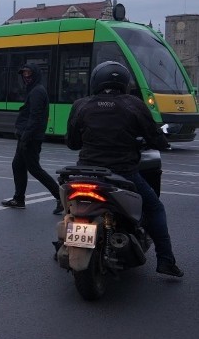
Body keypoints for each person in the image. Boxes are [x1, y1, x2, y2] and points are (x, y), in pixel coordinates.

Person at [66, 61, 183, 277]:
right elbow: (155, 138)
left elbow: (73, 143)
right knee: (155, 208)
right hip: (123, 172)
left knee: (68, 205)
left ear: (95, 81)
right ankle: (166, 260)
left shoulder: (81, 105)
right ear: (125, 83)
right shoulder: (133, 104)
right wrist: (159, 141)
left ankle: (63, 245)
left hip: (86, 172)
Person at [1, 63, 62, 213]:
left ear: (35, 74)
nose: (25, 77)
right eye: (24, 74)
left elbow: (35, 118)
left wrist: (25, 137)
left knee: (34, 169)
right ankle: (19, 199)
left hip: (30, 137)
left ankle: (61, 198)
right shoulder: (34, 90)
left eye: (28, 74)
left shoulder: (37, 92)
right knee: (18, 165)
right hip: (27, 135)